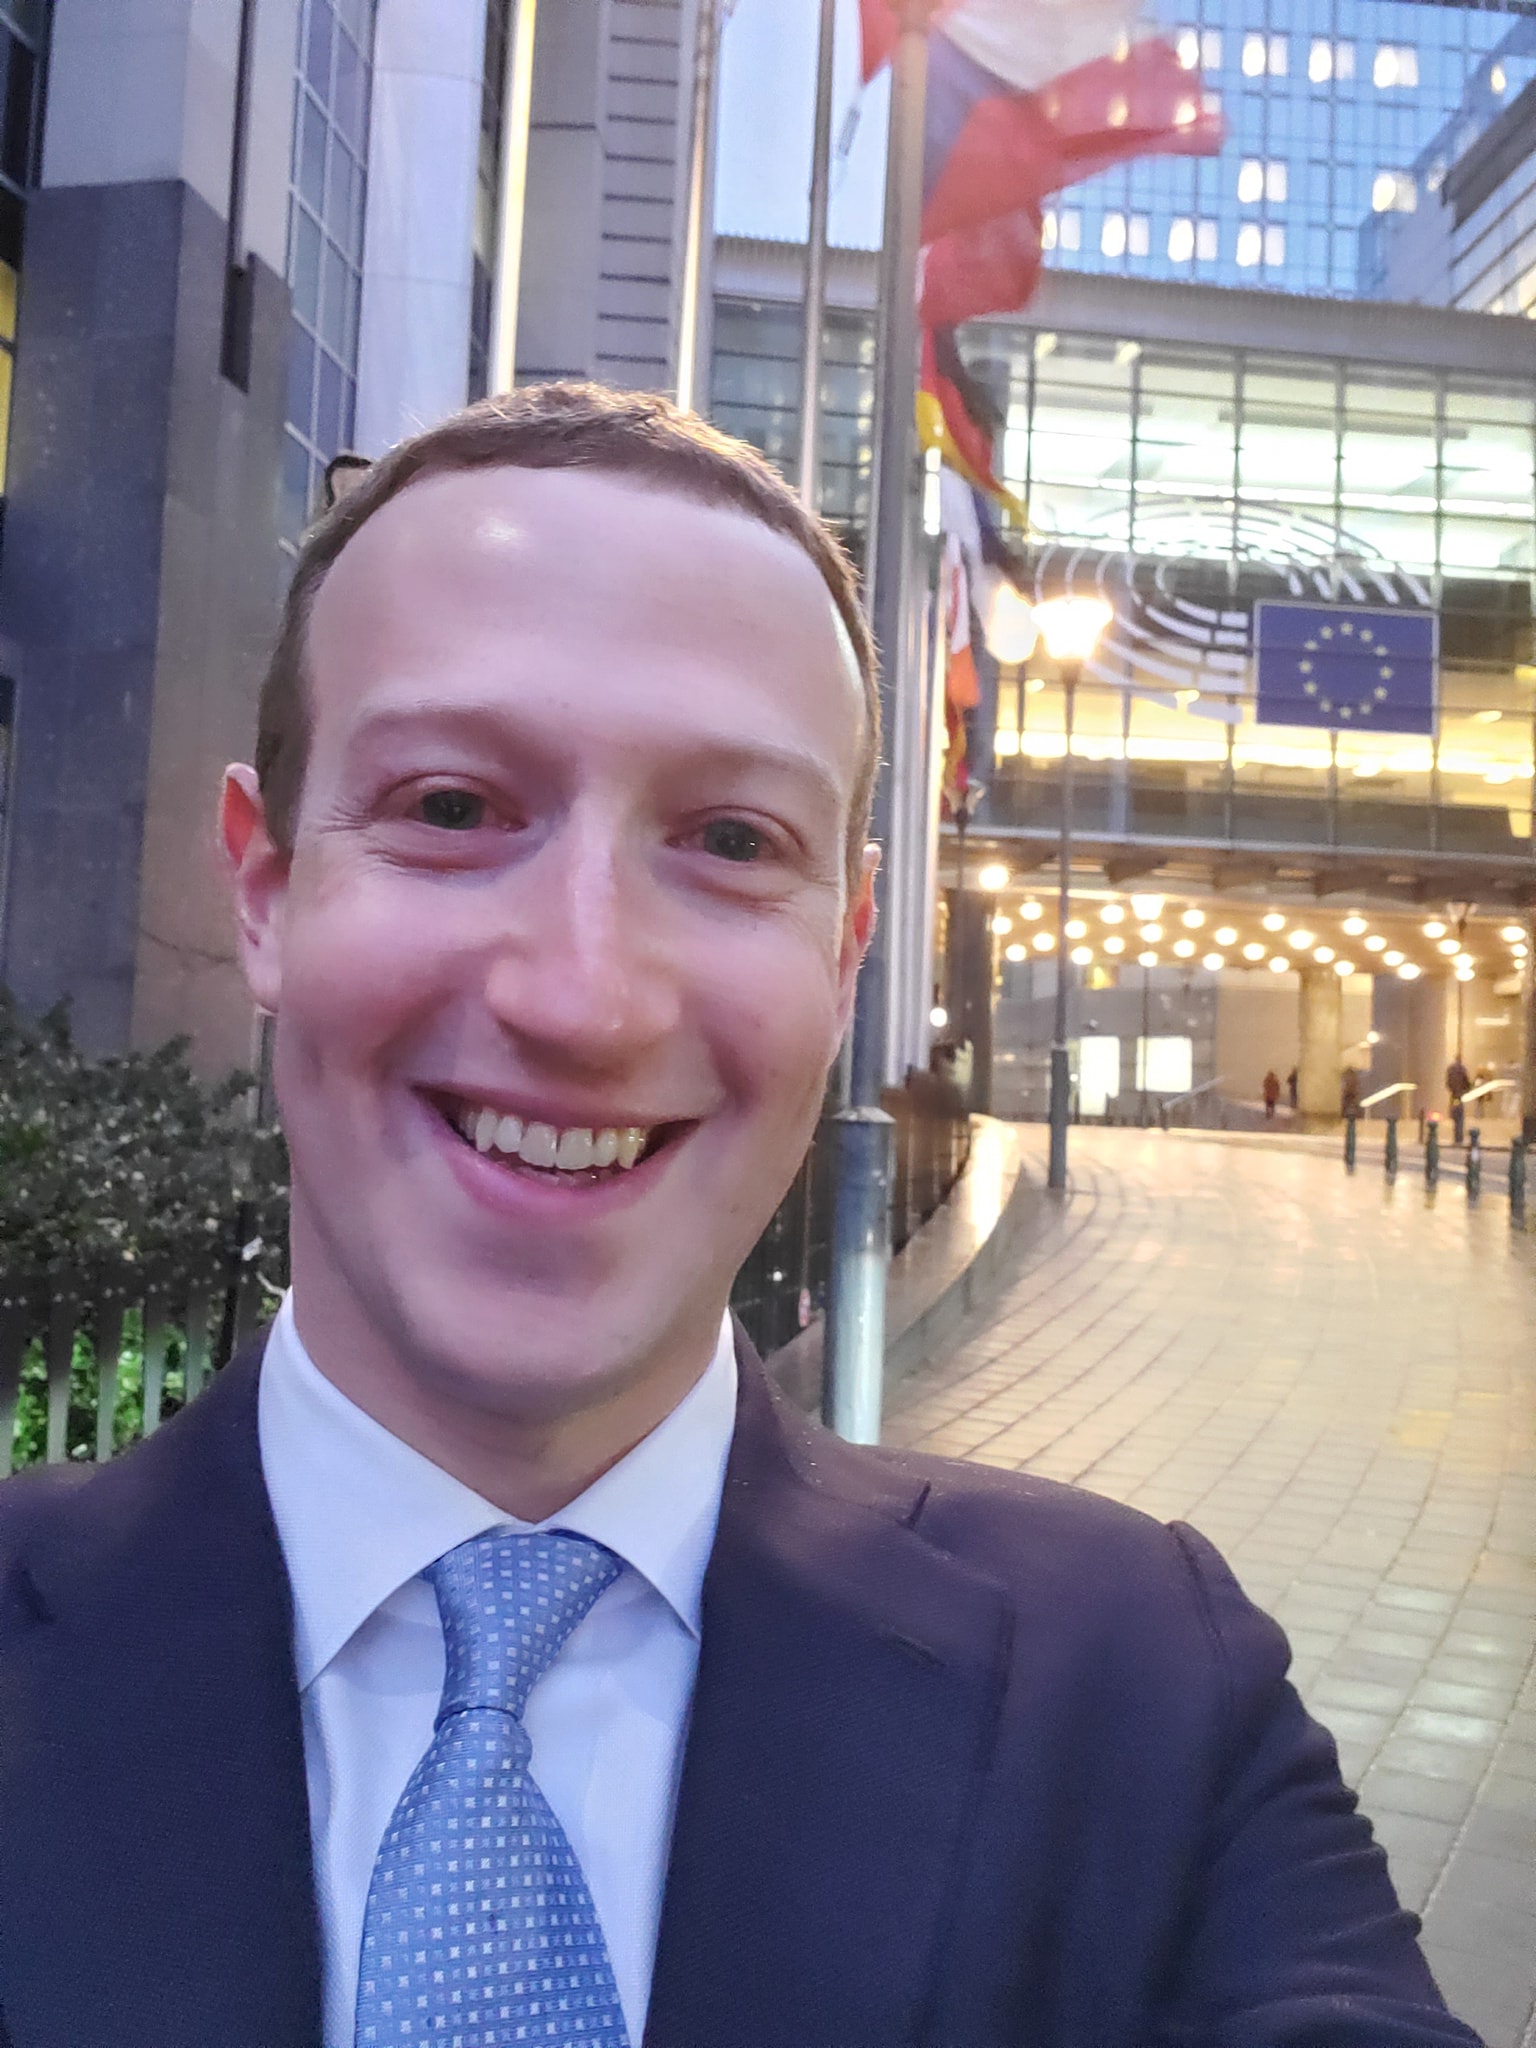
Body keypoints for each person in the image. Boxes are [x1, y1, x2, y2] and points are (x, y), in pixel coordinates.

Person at [0, 387, 1478, 2048]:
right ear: (268, 892)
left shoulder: (1144, 1685)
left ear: (844, 953)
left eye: (726, 839)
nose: (583, 995)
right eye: (452, 808)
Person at [1446, 1054, 1470, 1145]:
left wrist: (1451, 1089)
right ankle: (1459, 1137)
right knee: (1460, 1116)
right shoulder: (1462, 1069)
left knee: (1455, 1114)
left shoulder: (1450, 1069)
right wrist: (1465, 1090)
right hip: (1459, 1095)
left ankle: (1456, 1135)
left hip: (1453, 1094)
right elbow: (1466, 1082)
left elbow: (1448, 1081)